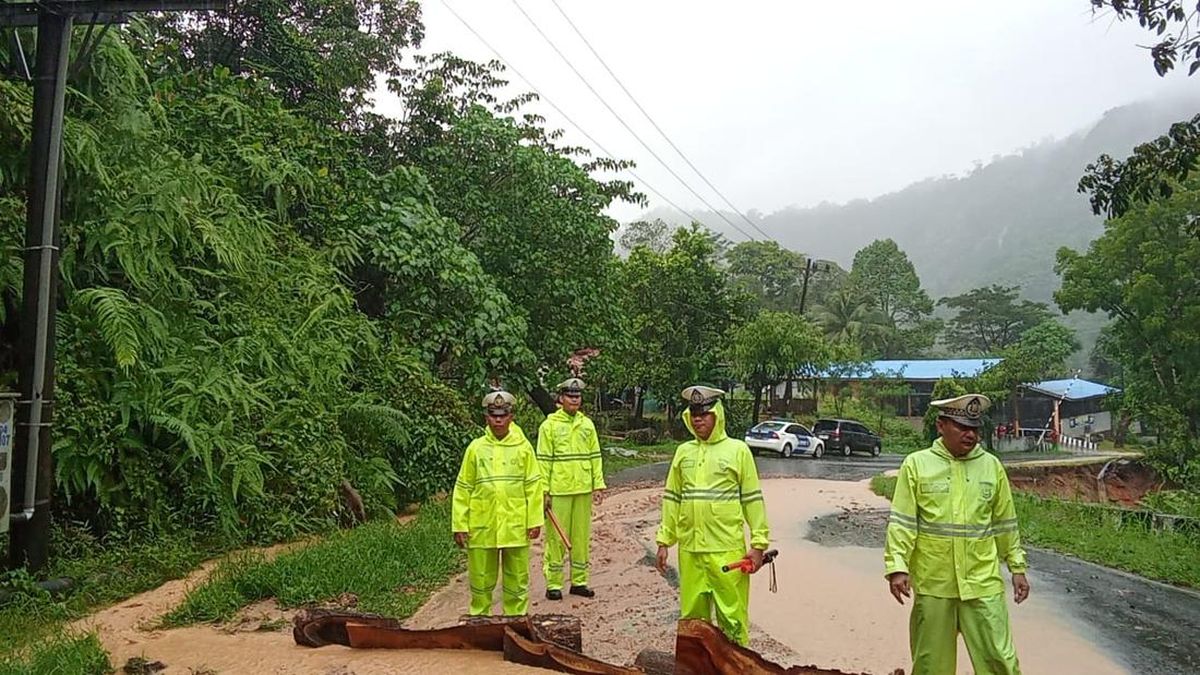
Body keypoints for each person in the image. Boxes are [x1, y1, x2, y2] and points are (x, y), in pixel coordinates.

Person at [884, 394, 1030, 675]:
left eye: (974, 428)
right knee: (931, 665)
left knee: (1000, 661)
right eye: (962, 427)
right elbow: (902, 522)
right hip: (934, 583)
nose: (970, 434)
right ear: (941, 426)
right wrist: (897, 567)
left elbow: (1005, 523)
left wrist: (1017, 568)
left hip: (982, 581)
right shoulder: (916, 465)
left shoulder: (991, 466)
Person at [655, 385, 770, 647]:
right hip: (691, 550)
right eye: (694, 414)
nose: (698, 419)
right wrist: (664, 541)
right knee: (692, 623)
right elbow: (672, 498)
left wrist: (759, 545)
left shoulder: (738, 451)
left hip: (726, 551)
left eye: (704, 414)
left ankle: (737, 667)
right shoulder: (683, 452)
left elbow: (752, 499)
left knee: (732, 619)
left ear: (717, 415)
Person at [452, 390, 544, 616]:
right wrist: (459, 524)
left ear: (511, 416)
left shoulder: (523, 448)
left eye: (503, 415)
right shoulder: (475, 448)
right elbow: (463, 487)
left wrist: (534, 520)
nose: (499, 420)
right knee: (481, 577)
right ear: (486, 417)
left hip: (515, 524)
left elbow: (533, 486)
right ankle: (479, 619)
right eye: (494, 415)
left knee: (517, 577)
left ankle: (515, 620)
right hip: (483, 524)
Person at [538, 377, 606, 600]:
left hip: (583, 489)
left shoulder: (586, 424)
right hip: (559, 490)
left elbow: (595, 456)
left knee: (581, 538)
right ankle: (554, 584)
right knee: (557, 539)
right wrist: (544, 491)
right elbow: (544, 460)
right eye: (570, 396)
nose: (574, 400)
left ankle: (579, 581)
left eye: (577, 396)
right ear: (561, 398)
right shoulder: (549, 426)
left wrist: (598, 484)